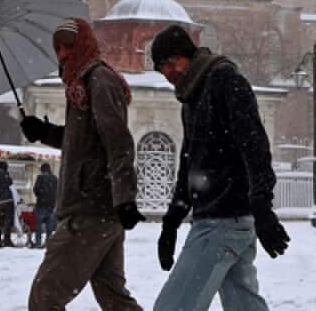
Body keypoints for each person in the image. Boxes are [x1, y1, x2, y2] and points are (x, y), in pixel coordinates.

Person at [150, 24, 289, 311]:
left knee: (173, 308)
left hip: (223, 220)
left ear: (186, 55)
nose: (167, 73)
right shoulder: (191, 96)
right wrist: (171, 221)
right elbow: (189, 163)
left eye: (169, 62)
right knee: (244, 305)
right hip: (224, 219)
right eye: (160, 68)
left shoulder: (224, 80)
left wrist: (262, 207)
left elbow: (255, 147)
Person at [20, 17, 144, 311]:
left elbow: (118, 141)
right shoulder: (80, 85)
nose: (62, 54)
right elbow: (84, 143)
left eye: (68, 46)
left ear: (84, 44)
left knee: (45, 298)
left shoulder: (98, 80)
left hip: (90, 210)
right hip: (99, 211)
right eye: (58, 48)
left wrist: (125, 197)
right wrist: (44, 132)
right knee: (114, 299)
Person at [31, 162, 58, 248]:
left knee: (38, 225)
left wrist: (40, 196)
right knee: (49, 226)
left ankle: (38, 243)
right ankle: (48, 243)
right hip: (51, 205)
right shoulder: (55, 178)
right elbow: (57, 191)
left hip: (41, 204)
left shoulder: (40, 177)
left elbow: (35, 189)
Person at [0, 162, 16, 247]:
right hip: (8, 200)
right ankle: (7, 240)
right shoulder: (5, 175)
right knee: (8, 221)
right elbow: (10, 184)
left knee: (0, 220)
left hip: (1, 201)